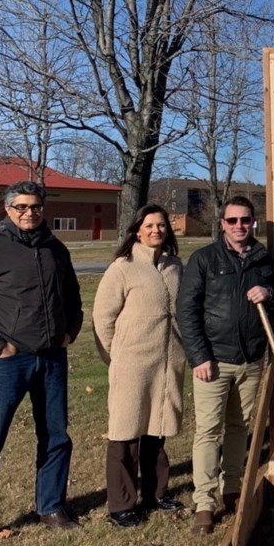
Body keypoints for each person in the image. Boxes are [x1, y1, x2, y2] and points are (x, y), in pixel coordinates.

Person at [0, 181, 83, 546]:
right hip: (7, 364)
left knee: (56, 437)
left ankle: (51, 507)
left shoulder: (55, 249)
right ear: (8, 210)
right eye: (22, 206)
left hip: (51, 360)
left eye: (36, 206)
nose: (30, 212)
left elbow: (74, 297)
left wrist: (69, 332)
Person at [177, 196, 274, 534]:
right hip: (214, 362)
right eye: (233, 220)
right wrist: (200, 357)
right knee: (209, 431)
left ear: (253, 222)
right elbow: (187, 312)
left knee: (239, 428)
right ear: (222, 224)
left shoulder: (262, 259)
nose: (240, 226)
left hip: (251, 359)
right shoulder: (204, 259)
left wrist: (267, 293)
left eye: (246, 220)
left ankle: (233, 488)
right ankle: (205, 502)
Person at [93, 204, 186, 528]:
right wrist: (114, 356)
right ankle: (121, 504)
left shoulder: (176, 267)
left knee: (156, 428)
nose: (156, 230)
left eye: (161, 225)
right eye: (149, 225)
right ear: (137, 229)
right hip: (132, 362)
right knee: (125, 431)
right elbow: (102, 317)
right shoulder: (122, 268)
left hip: (167, 361)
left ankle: (156, 493)